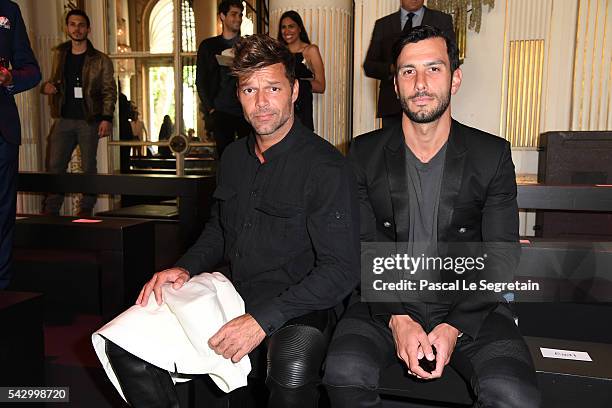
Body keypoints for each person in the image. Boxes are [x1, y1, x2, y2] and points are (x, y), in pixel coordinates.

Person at [104, 33, 360, 408]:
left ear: (294, 92)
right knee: (125, 342)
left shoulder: (326, 167)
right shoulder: (235, 158)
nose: (261, 103)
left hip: (302, 303)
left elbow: (340, 270)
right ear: (238, 96)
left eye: (272, 88)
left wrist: (261, 320)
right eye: (249, 90)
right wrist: (184, 268)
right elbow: (220, 230)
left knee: (290, 366)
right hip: (233, 292)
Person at [322, 26, 541, 408]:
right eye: (408, 71)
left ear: (455, 78)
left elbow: (502, 254)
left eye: (434, 69)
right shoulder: (363, 153)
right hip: (384, 301)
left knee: (514, 395)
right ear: (395, 84)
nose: (420, 82)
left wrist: (455, 325)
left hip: (471, 304)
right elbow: (359, 246)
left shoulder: (491, 155)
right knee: (343, 371)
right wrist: (397, 319)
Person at [41, 8, 116, 217]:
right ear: (67, 28)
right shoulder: (60, 54)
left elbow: (110, 90)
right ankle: (51, 211)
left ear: (88, 29)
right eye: (73, 24)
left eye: (81, 25)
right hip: (64, 119)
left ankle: (85, 209)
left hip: (89, 120)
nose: (77, 28)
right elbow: (57, 81)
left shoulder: (101, 59)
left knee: (88, 167)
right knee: (55, 166)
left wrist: (106, 118)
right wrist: (49, 87)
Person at [0, 0, 41, 289]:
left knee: (3, 216)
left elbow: (32, 71)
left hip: (2, 133)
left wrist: (9, 77)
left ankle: (1, 289)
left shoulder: (9, 9)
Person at [364, 0, 454, 128]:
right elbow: (369, 66)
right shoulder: (383, 24)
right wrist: (393, 69)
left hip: (430, 101)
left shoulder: (441, 20)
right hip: (391, 103)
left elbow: (451, 60)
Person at [196, 0, 251, 158]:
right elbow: (201, 80)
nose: (238, 18)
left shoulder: (246, 45)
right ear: (222, 16)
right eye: (233, 14)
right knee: (225, 159)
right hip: (220, 111)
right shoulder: (208, 46)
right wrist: (211, 109)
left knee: (248, 157)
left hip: (245, 110)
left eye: (240, 15)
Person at [277, 10, 325, 131]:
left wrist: (295, 83)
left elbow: (321, 86)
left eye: (291, 26)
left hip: (302, 108)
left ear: (299, 28)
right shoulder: (279, 53)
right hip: (282, 106)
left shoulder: (310, 50)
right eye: (283, 27)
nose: (286, 31)